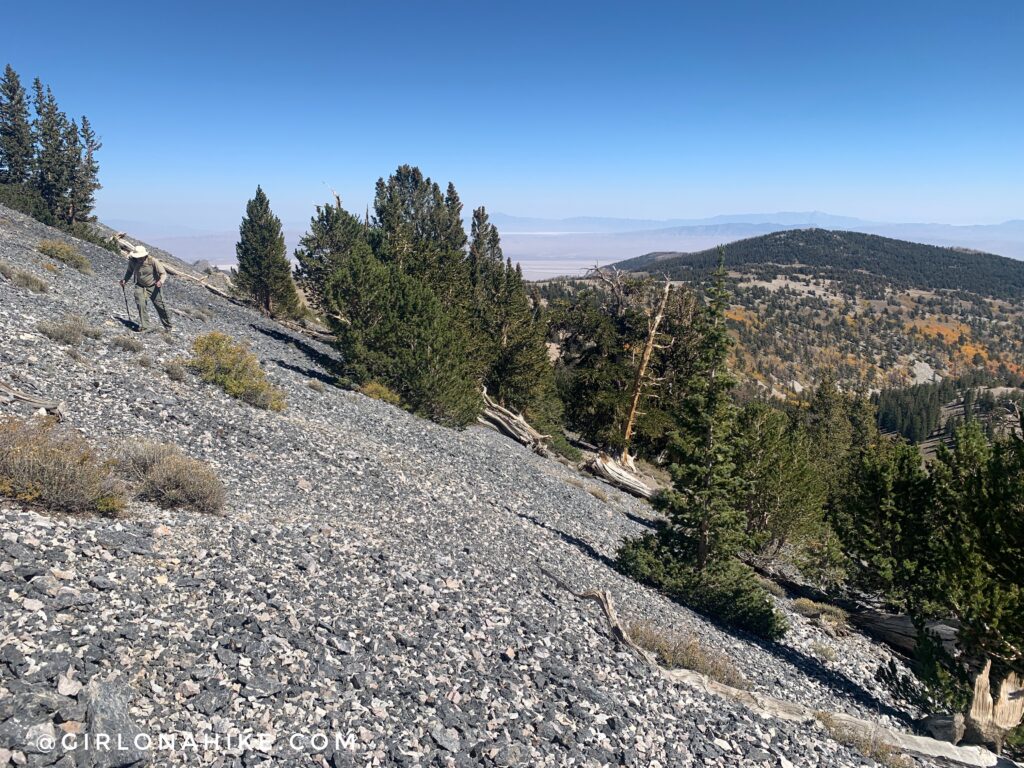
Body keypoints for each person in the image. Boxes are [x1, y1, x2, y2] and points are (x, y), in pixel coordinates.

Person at [114, 233, 173, 332]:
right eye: (138, 257)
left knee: (160, 306)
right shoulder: (133, 261)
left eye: (141, 257)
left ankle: (168, 326)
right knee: (141, 304)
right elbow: (129, 272)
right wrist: (125, 280)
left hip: (154, 286)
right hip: (140, 285)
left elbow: (163, 273)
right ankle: (145, 326)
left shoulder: (153, 261)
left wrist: (161, 282)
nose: (140, 259)